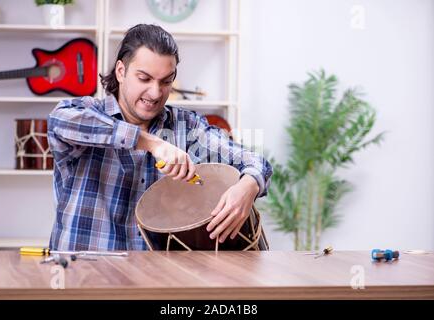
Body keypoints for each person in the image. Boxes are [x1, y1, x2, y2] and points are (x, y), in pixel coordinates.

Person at [47, 24, 272, 251]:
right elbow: (59, 120)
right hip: (84, 276)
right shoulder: (86, 113)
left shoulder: (187, 126)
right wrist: (152, 143)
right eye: (144, 78)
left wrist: (248, 186)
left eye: (166, 81)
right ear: (121, 71)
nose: (155, 93)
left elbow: (256, 163)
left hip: (158, 281)